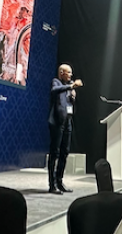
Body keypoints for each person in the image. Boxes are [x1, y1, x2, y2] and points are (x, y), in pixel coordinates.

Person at [47, 64, 82, 194]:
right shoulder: (56, 82)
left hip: (67, 121)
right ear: (61, 72)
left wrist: (73, 96)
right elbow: (55, 90)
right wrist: (71, 86)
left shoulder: (68, 87)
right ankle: (52, 185)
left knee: (64, 152)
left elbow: (69, 103)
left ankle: (60, 181)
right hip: (57, 122)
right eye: (69, 72)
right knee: (54, 152)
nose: (71, 75)